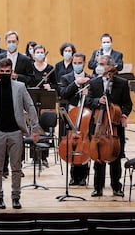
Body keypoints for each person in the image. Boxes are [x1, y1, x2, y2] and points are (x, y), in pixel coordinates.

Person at [0, 58, 41, 209]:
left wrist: (35, 129)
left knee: (16, 167)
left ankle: (16, 197)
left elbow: (30, 107)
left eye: (8, 71)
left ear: (12, 72)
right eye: (2, 71)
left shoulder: (20, 86)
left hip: (16, 132)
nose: (5, 73)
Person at [0, 31, 35, 177]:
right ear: (5, 42)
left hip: (18, 101)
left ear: (18, 42)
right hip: (1, 99)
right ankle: (4, 167)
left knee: (17, 133)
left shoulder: (25, 60)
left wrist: (17, 76)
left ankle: (17, 167)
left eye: (14, 41)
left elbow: (31, 78)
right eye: (9, 41)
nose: (11, 43)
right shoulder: (0, 57)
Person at [85, 55, 132, 198]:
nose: (98, 66)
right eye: (98, 64)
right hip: (99, 126)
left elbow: (128, 104)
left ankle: (116, 187)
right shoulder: (94, 83)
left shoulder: (122, 83)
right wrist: (97, 100)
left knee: (116, 157)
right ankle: (97, 188)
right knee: (98, 157)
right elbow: (88, 101)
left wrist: (123, 115)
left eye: (102, 64)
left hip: (115, 126)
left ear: (110, 67)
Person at [59, 53, 91, 186]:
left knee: (84, 144)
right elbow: (63, 93)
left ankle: (83, 175)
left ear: (84, 63)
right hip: (71, 115)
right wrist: (76, 83)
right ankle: (73, 176)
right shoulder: (66, 78)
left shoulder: (91, 78)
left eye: (80, 63)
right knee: (72, 144)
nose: (77, 65)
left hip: (85, 116)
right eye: (75, 63)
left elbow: (94, 96)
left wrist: (88, 94)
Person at [30, 44, 57, 167]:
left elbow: (56, 86)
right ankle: (34, 157)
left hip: (45, 104)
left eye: (42, 52)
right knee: (34, 128)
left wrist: (50, 87)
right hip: (32, 104)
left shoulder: (50, 68)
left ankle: (44, 157)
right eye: (37, 52)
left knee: (45, 129)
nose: (40, 54)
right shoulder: (30, 68)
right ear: (33, 55)